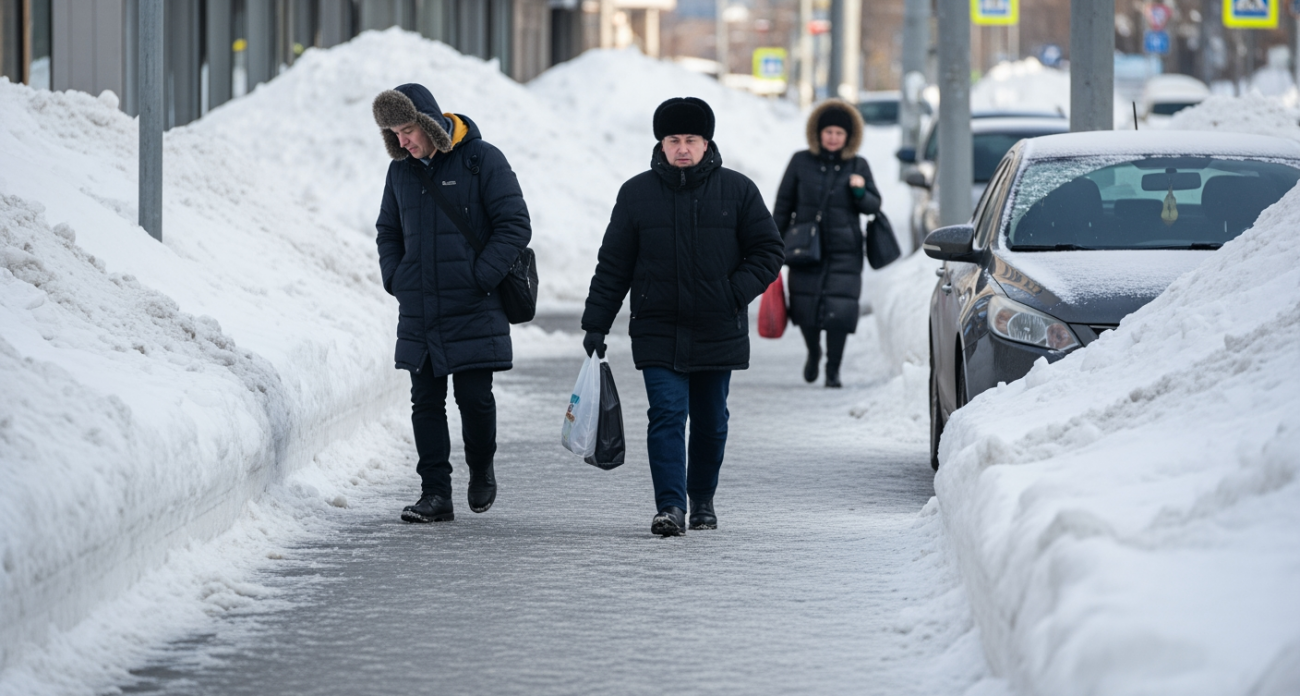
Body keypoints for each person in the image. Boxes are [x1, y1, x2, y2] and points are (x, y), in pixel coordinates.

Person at [581, 97, 784, 537]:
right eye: (673, 140)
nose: (682, 148)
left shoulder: (738, 190)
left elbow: (769, 251)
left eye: (691, 139)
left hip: (717, 325)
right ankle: (670, 506)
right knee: (667, 415)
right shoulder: (636, 194)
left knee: (712, 422)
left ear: (707, 142)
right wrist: (596, 322)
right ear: (661, 143)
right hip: (658, 326)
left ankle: (702, 498)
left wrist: (733, 292)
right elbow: (613, 264)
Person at [372, 84, 531, 523]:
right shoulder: (400, 171)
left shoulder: (482, 160)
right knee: (425, 402)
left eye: (407, 130)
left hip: (474, 304)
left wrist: (480, 277)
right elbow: (388, 230)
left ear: (426, 121)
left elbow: (515, 225)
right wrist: (396, 277)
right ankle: (435, 494)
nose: (402, 141)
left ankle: (481, 467)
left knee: (474, 399)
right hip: (420, 305)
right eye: (394, 133)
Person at [772, 99, 882, 388]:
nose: (833, 137)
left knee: (840, 312)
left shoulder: (859, 165)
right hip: (804, 248)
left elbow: (873, 206)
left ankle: (833, 369)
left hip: (845, 250)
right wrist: (773, 243)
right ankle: (813, 351)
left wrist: (860, 192)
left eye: (839, 133)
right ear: (818, 133)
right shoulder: (800, 161)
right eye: (828, 132)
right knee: (804, 307)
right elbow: (783, 205)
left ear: (849, 137)